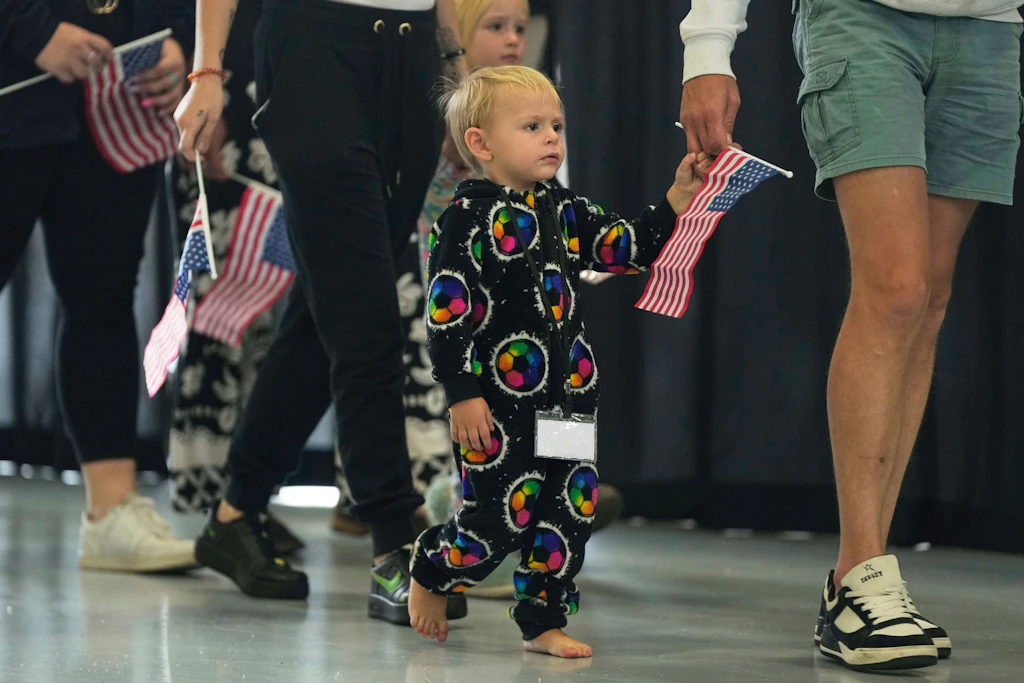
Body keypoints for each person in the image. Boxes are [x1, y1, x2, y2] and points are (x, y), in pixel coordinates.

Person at [678, 0, 1022, 671]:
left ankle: (864, 583)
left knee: (929, 297)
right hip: (864, 17)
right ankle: (860, 568)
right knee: (895, 288)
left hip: (990, 27)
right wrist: (708, 49)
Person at [174, 0, 471, 625]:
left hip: (412, 54)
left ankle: (235, 511)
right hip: (313, 45)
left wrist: (454, 64)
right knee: (366, 317)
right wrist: (207, 73)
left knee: (332, 303)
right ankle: (395, 537)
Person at [407, 65, 712, 658]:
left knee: (566, 515)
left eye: (556, 125)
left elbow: (624, 246)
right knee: (496, 522)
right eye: (531, 126)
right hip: (496, 412)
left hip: (568, 402)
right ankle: (432, 569)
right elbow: (445, 314)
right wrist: (462, 392)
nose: (551, 137)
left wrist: (677, 197)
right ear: (481, 144)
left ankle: (542, 620)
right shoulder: (465, 220)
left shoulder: (562, 208)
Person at [0, 0, 197, 571]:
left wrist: (177, 41)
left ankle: (110, 514)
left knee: (104, 300)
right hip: (15, 88)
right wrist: (30, 27)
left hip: (119, 109)